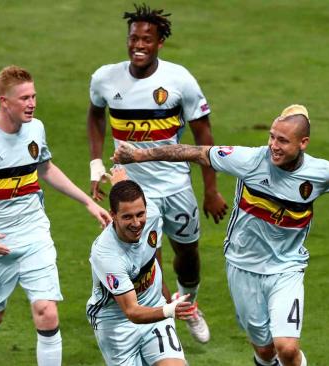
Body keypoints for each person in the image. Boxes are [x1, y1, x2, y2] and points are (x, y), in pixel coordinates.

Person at [112, 104, 329, 366]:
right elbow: (196, 153)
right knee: (264, 351)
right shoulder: (248, 160)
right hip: (242, 266)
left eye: (282, 141)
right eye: (272, 137)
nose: (273, 145)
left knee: (286, 348)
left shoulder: (319, 172)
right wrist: (140, 155)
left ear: (303, 143)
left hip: (286, 269)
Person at [0, 65, 111, 366]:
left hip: (34, 234)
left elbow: (45, 168)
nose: (31, 103)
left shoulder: (36, 129)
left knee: (47, 311)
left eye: (34, 96)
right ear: (4, 101)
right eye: (24, 98)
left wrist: (87, 202)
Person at [87, 3, 228, 343]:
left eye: (146, 40)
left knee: (188, 254)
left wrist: (211, 190)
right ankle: (170, 315)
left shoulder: (179, 80)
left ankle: (188, 297)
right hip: (132, 188)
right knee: (148, 258)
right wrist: (96, 166)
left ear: (159, 43)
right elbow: (95, 115)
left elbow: (203, 137)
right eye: (133, 38)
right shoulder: (105, 78)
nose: (138, 45)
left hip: (175, 184)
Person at [87, 167, 193, 366]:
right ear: (113, 215)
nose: (136, 223)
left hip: (153, 305)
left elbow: (129, 197)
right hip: (116, 324)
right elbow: (132, 311)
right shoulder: (106, 254)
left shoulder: (151, 214)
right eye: (127, 217)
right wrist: (169, 310)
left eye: (140, 214)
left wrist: (120, 181)